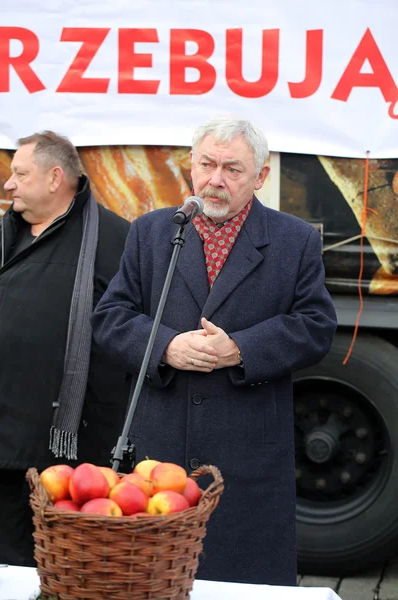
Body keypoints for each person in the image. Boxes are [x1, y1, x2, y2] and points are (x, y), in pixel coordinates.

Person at [91, 116, 337, 585]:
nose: (214, 180)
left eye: (232, 169)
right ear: (190, 165)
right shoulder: (151, 232)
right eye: (206, 164)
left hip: (244, 459)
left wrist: (239, 349)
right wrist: (166, 346)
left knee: (239, 582)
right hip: (157, 455)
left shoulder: (294, 240)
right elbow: (110, 318)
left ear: (261, 177)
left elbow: (315, 326)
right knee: (152, 582)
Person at [0, 131, 131, 567]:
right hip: (1, 437)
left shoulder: (115, 239)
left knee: (56, 565)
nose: (8, 184)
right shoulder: (6, 233)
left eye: (19, 173)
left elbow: (132, 329)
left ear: (55, 178)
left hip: (62, 452)